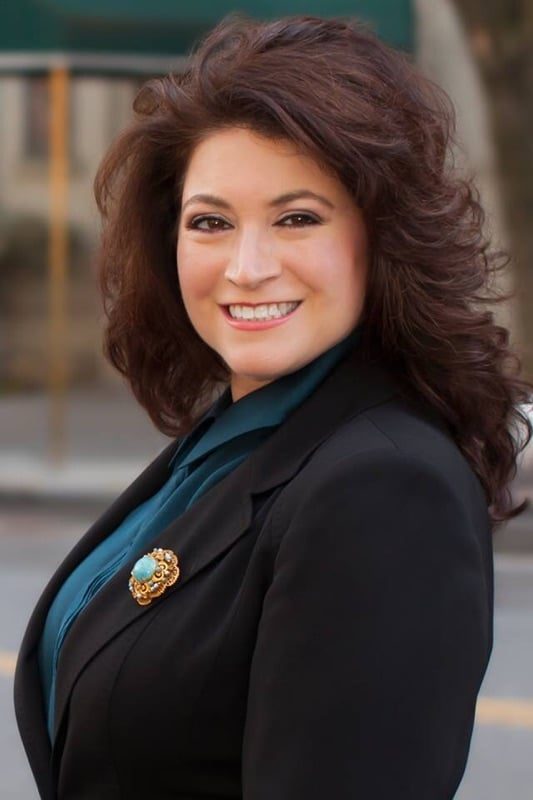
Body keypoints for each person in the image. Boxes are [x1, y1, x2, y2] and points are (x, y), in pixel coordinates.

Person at [14, 13, 532, 800]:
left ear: (382, 238)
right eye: (210, 222)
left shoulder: (383, 491)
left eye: (296, 218)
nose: (245, 267)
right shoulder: (242, 432)